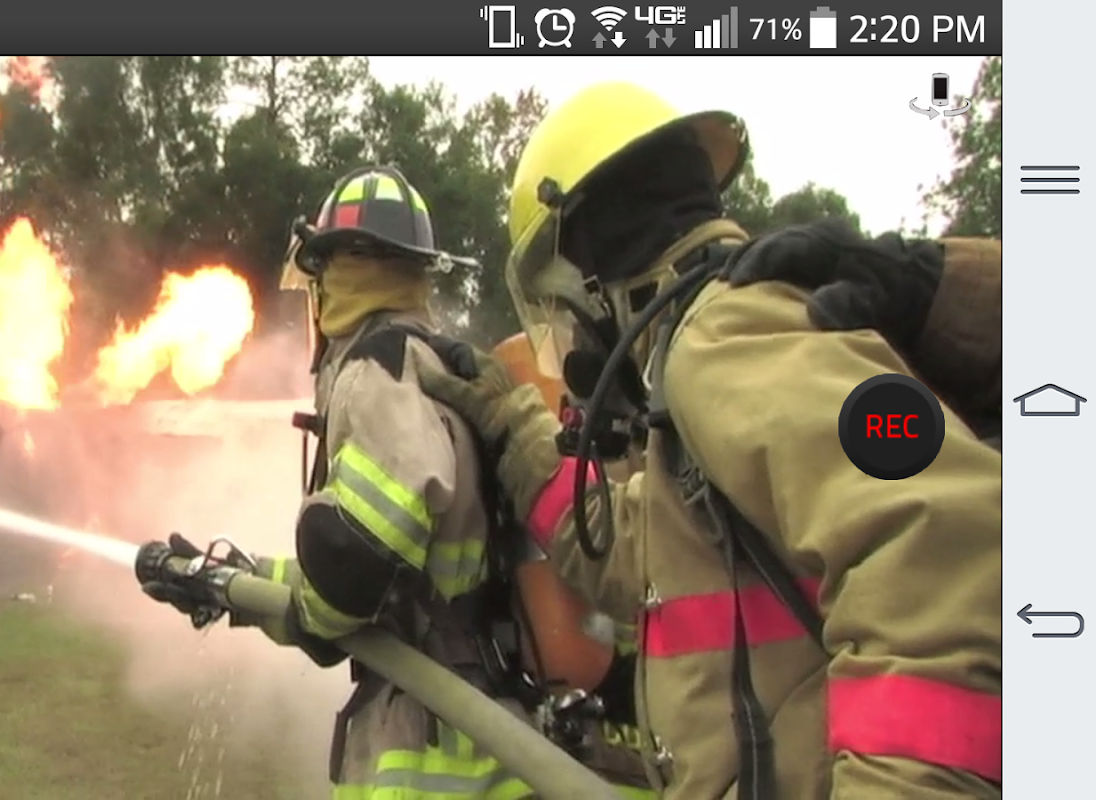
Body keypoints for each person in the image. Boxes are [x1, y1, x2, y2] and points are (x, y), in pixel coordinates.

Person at [407, 82, 1002, 799]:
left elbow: (938, 545)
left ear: (586, 282)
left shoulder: (719, 341)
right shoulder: (701, 372)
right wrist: (519, 435)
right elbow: (649, 550)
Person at [143, 165, 654, 798]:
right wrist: (235, 582)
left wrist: (310, 609)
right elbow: (393, 572)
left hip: (430, 762)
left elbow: (356, 559)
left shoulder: (376, 370)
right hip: (496, 746)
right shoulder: (447, 367)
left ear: (334, 277)